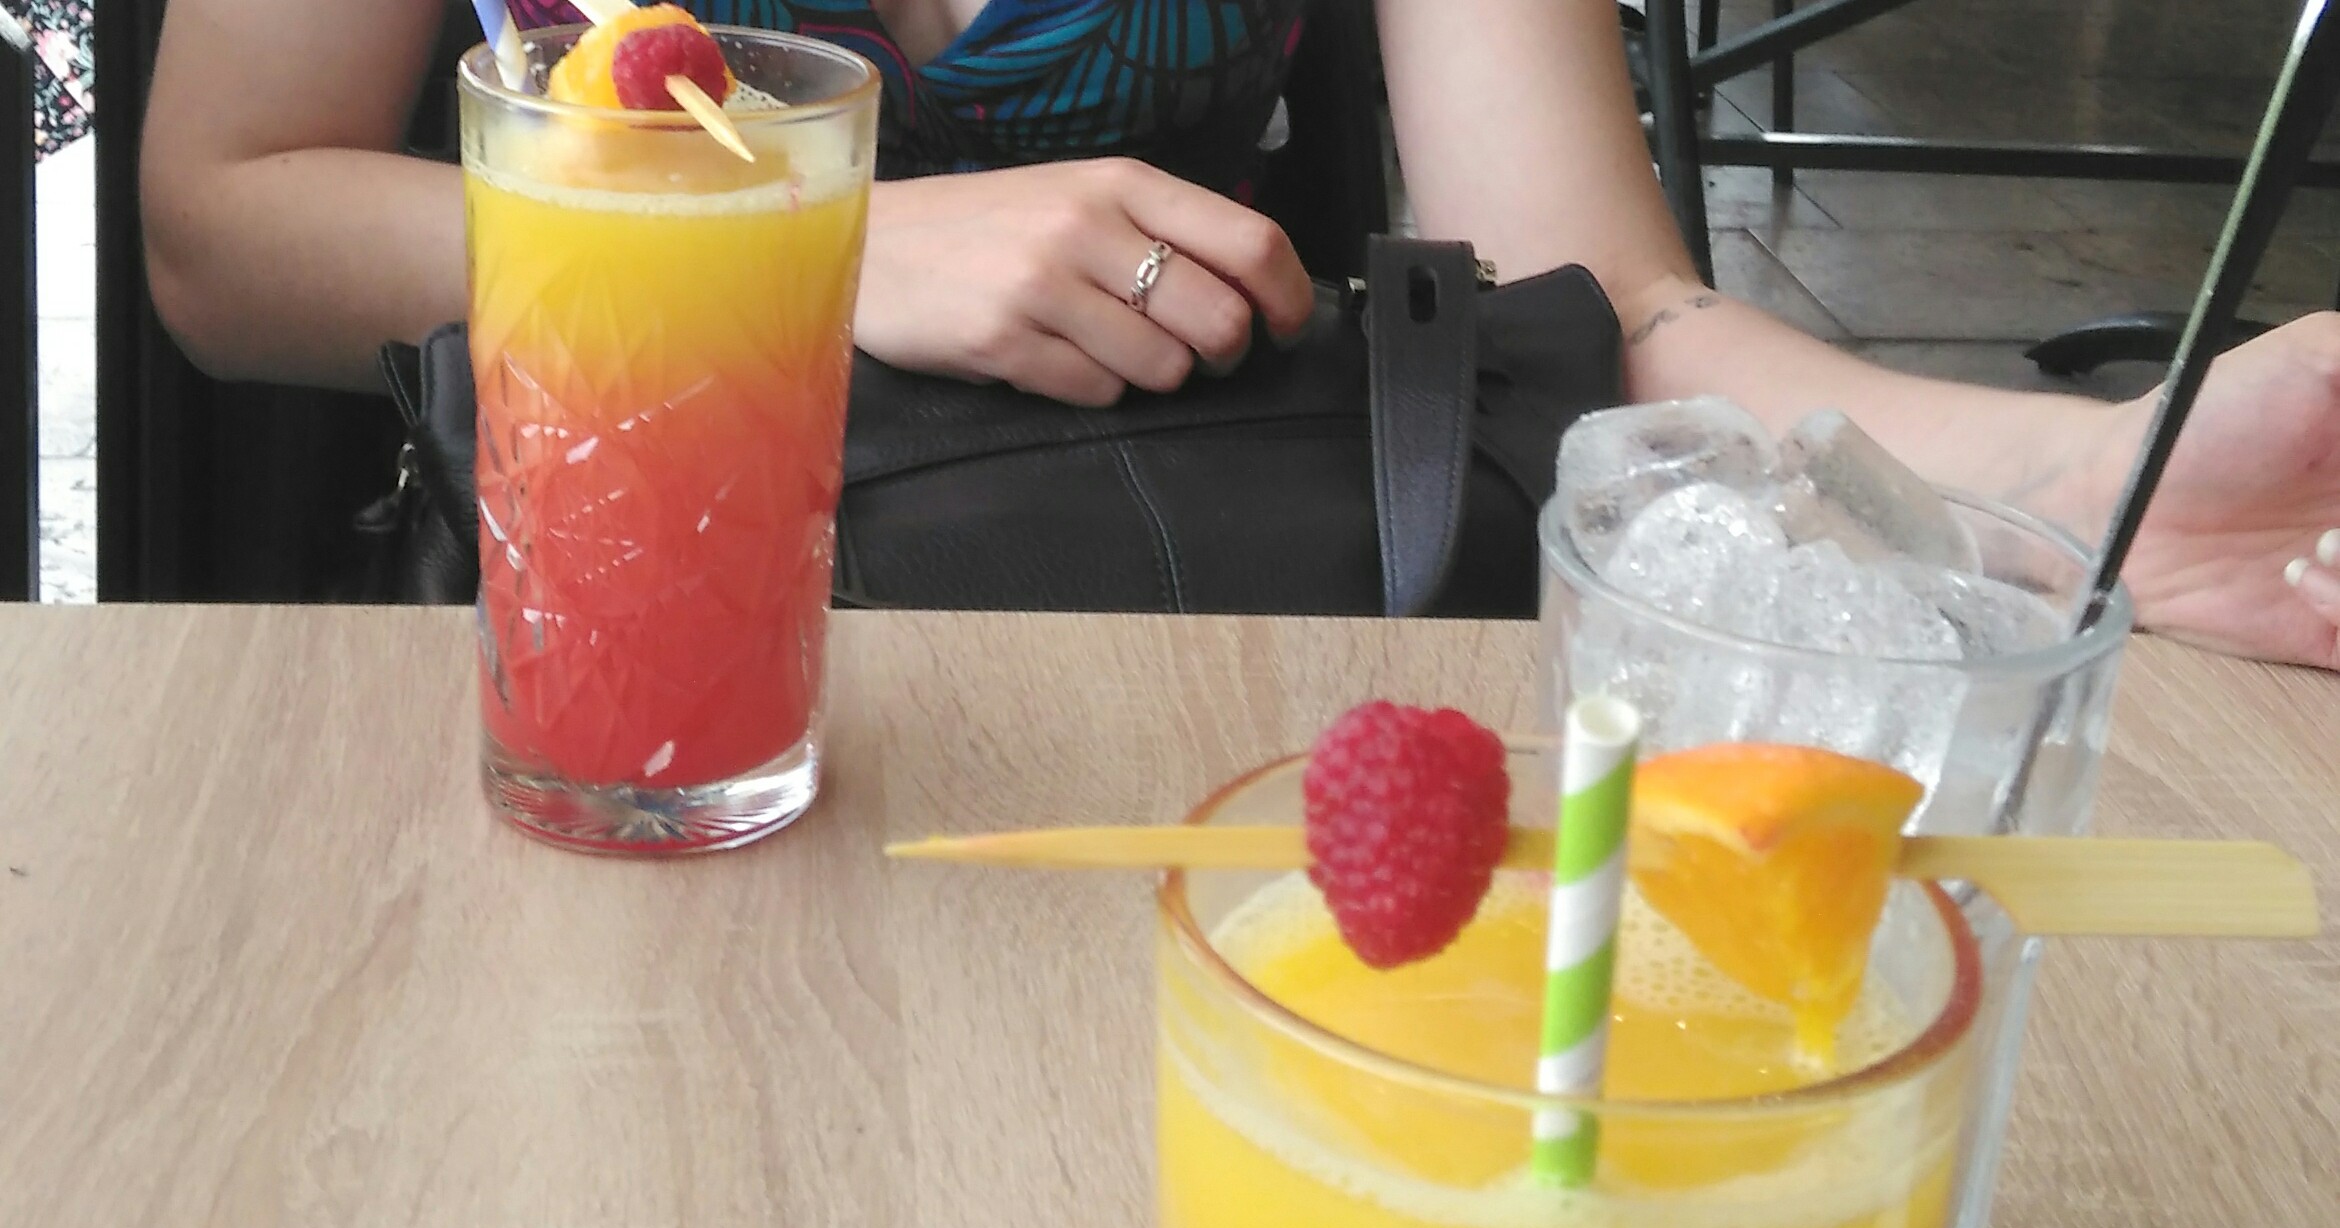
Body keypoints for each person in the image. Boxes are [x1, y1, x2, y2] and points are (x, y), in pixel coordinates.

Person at [142, 0, 2340, 664]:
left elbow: (1604, 309)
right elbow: (224, 230)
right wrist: (801, 254)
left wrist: (2087, 490)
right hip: (621, 668)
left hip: (1183, 676)